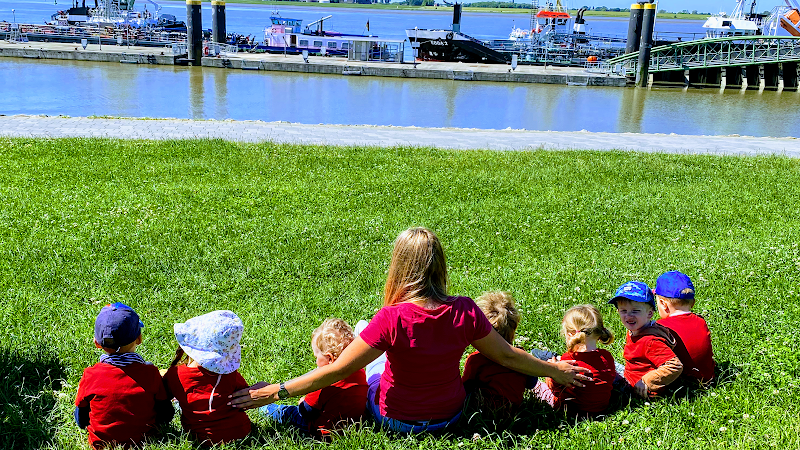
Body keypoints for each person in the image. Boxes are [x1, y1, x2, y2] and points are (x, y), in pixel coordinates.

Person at [229, 227, 591, 433]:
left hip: (395, 420)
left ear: (399, 267)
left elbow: (339, 369)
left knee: (370, 365)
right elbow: (507, 355)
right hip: (450, 416)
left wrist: (275, 391)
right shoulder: (464, 309)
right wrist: (553, 368)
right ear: (440, 266)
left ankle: (297, 412)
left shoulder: (391, 317)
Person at [74, 303, 174, 449]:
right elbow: (166, 415)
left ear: (97, 343)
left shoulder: (90, 375)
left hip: (101, 444)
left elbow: (81, 420)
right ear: (139, 338)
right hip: (144, 441)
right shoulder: (150, 373)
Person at [262, 318, 368, 438]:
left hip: (325, 432)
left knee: (289, 412)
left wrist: (302, 402)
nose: (316, 361)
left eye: (316, 357)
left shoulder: (324, 382)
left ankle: (266, 409)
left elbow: (307, 412)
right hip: (353, 425)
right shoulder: (359, 372)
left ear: (329, 359)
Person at [162, 310, 251, 446]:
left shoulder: (176, 375)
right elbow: (244, 395)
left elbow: (164, 395)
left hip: (198, 437)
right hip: (241, 432)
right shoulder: (230, 375)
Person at [532, 304, 617, 415]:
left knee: (536, 385)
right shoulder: (607, 357)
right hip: (600, 409)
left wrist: (551, 372)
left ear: (570, 334)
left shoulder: (568, 360)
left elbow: (554, 387)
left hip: (570, 410)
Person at [609, 281, 683, 398]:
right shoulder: (640, 329)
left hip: (635, 387)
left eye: (635, 311)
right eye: (624, 311)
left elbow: (674, 366)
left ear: (649, 313)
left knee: (598, 367)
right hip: (631, 376)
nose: (629, 316)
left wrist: (646, 382)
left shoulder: (650, 341)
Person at [461, 291, 527, 414]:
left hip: (484, 411)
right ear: (513, 331)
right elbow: (531, 382)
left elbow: (466, 387)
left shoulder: (475, 360)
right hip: (515, 410)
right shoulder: (522, 357)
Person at [655, 271, 715, 382]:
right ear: (693, 303)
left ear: (663, 304)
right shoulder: (701, 321)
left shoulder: (660, 327)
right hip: (706, 379)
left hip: (677, 384)